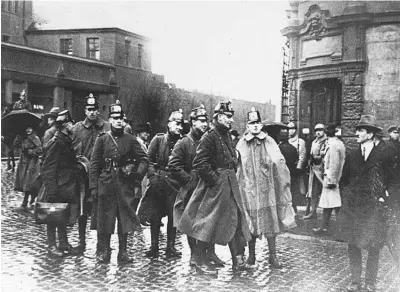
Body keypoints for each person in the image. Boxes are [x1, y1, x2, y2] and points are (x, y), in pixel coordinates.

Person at [178, 101, 252, 273]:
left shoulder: (226, 135)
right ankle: (198, 261)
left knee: (235, 218)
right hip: (215, 188)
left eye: (230, 116)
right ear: (219, 117)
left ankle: (237, 260)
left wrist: (234, 161)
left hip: (230, 185)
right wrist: (215, 180)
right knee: (207, 223)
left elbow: (228, 158)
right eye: (227, 117)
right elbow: (200, 163)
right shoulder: (209, 137)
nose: (230, 120)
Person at [336, 115, 395, 292]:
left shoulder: (385, 154)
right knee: (353, 244)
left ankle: (370, 282)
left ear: (370, 134)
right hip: (353, 207)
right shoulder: (353, 154)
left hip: (374, 207)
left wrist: (386, 198)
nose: (357, 133)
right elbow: (344, 179)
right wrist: (346, 197)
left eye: (361, 130)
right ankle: (355, 281)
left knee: (374, 246)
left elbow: (393, 180)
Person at [236, 108, 296, 268]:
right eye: (251, 123)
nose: (255, 126)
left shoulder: (269, 141)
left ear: (261, 124)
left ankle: (273, 256)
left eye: (257, 122)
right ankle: (252, 256)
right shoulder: (242, 143)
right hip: (250, 191)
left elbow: (279, 162)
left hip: (268, 190)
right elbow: (237, 167)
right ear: (247, 125)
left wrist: (282, 182)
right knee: (251, 224)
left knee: (271, 223)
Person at [89, 102, 148, 263]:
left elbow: (144, 159)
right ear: (109, 120)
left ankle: (123, 252)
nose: (118, 121)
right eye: (115, 118)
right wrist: (93, 187)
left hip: (124, 184)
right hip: (106, 183)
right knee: (105, 219)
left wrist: (136, 175)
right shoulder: (102, 139)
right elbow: (94, 164)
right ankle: (104, 251)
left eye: (121, 118)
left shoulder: (130, 139)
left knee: (125, 219)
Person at [169, 105, 224, 272]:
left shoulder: (208, 141)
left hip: (208, 188)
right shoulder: (184, 142)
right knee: (193, 224)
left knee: (209, 221)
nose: (205, 124)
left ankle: (210, 253)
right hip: (192, 191)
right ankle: (195, 257)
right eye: (201, 121)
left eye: (206, 120)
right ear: (192, 122)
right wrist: (189, 181)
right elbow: (173, 165)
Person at [138, 110, 183, 258]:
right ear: (169, 124)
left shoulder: (182, 142)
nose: (179, 127)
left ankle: (170, 247)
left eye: (181, 124)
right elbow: (148, 159)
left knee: (173, 216)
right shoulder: (158, 140)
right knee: (155, 216)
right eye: (176, 123)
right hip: (158, 181)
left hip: (174, 183)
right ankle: (154, 247)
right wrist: (152, 177)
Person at [71, 93, 110, 253]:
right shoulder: (77, 128)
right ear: (85, 111)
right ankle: (81, 242)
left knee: (101, 210)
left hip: (102, 175)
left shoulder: (107, 127)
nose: (92, 112)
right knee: (82, 210)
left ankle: (102, 245)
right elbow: (70, 150)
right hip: (82, 177)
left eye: (95, 109)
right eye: (89, 109)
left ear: (98, 110)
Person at [41, 110, 80, 257]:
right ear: (64, 125)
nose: (73, 125)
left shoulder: (65, 139)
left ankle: (63, 243)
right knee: (52, 216)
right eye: (71, 123)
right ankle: (51, 245)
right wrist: (51, 190)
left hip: (64, 183)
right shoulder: (57, 142)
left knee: (62, 215)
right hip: (55, 185)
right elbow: (47, 167)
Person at [312, 124, 345, 234]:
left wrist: (331, 180)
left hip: (332, 178)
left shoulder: (333, 145)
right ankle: (324, 226)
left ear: (326, 133)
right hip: (334, 177)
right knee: (329, 203)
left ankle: (342, 230)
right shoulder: (337, 143)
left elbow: (334, 163)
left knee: (335, 205)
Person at [14, 125, 42, 208]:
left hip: (32, 162)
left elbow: (40, 149)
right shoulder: (23, 138)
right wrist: (18, 137)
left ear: (33, 129)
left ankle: (30, 199)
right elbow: (17, 146)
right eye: (26, 128)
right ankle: (26, 199)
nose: (28, 130)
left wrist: (30, 151)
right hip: (24, 162)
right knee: (24, 180)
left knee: (31, 181)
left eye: (30, 128)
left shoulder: (36, 138)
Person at [304, 123, 328, 219]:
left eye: (320, 130)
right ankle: (313, 212)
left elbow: (325, 155)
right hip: (314, 170)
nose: (318, 132)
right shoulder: (314, 142)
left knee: (325, 191)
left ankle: (328, 216)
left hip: (322, 170)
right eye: (317, 130)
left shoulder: (326, 141)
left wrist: (317, 157)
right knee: (313, 191)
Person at [287, 121, 307, 214]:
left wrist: (298, 168)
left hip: (296, 169)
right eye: (289, 129)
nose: (290, 131)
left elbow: (302, 157)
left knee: (296, 189)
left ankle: (296, 206)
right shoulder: (287, 141)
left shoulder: (300, 142)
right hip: (288, 168)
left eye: (292, 128)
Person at [132, 122, 151, 211]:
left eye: (148, 132)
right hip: (138, 174)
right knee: (135, 198)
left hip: (142, 175)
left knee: (139, 197)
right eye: (145, 132)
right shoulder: (137, 143)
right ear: (139, 133)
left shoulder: (144, 144)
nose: (148, 134)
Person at [278, 129, 298, 211]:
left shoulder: (278, 148)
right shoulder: (293, 148)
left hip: (282, 172)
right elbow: (296, 159)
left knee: (282, 191)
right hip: (292, 172)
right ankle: (293, 208)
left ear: (280, 138)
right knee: (292, 190)